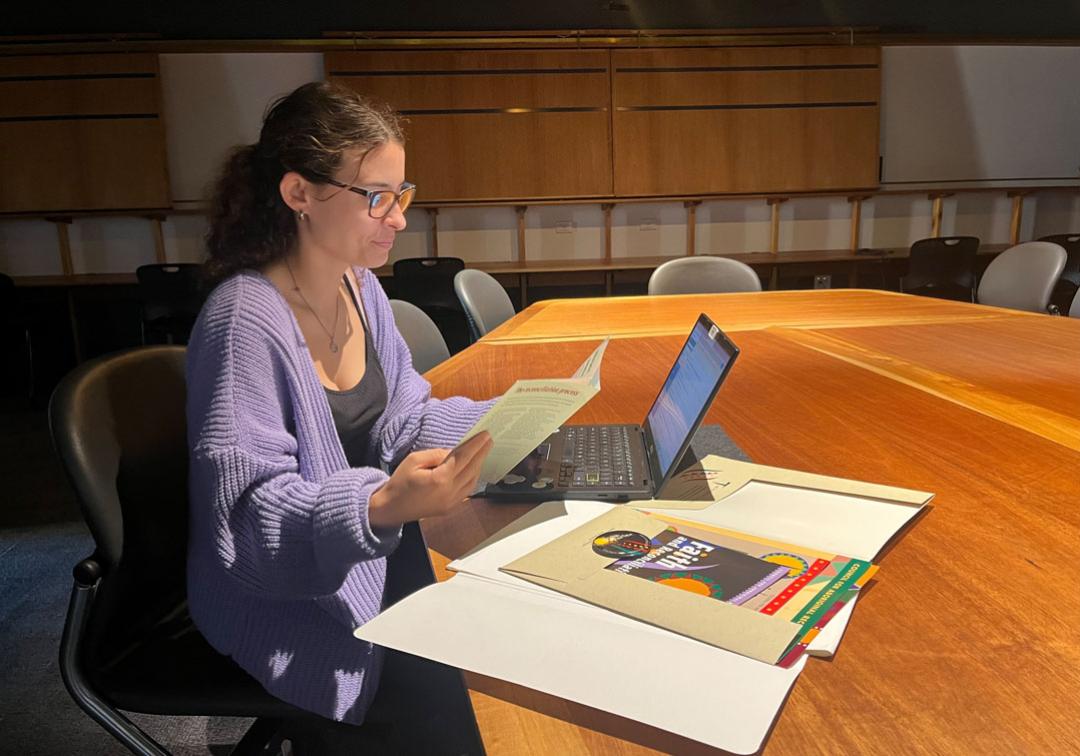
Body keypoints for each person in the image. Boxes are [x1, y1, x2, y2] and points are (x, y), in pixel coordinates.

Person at [185, 81, 495, 752]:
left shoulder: (360, 287)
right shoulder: (245, 320)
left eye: (402, 194)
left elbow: (403, 418)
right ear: (299, 193)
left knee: (501, 621)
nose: (399, 219)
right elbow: (248, 525)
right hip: (293, 601)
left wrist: (514, 421)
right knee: (474, 696)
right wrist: (380, 506)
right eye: (377, 197)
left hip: (365, 554)